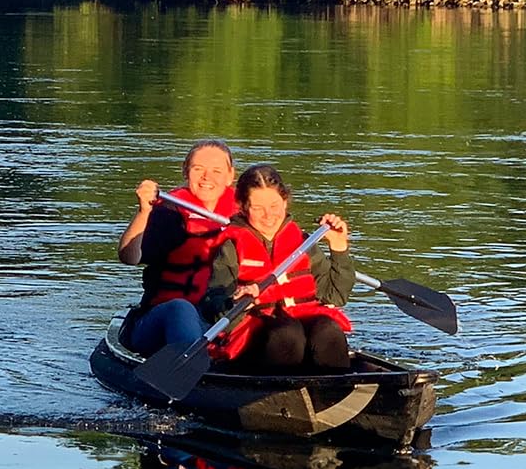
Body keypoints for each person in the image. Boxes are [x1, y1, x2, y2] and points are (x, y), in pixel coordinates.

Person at [201, 164, 354, 373]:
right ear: (243, 207)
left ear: (285, 201)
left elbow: (336, 296)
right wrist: (238, 300)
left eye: (274, 205)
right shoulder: (230, 248)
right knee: (287, 334)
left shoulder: (303, 243)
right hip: (260, 343)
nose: (268, 215)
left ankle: (336, 389)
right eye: (257, 208)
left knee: (327, 330)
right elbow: (214, 309)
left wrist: (339, 248)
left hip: (304, 332)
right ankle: (279, 393)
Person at [118, 139, 238, 353]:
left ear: (231, 176)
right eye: (198, 169)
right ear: (185, 172)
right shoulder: (170, 214)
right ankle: (192, 365)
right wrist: (144, 211)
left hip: (220, 321)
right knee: (181, 309)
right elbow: (129, 257)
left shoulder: (246, 216)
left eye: (216, 171)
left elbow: (292, 248)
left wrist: (320, 233)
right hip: (162, 322)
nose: (206, 177)